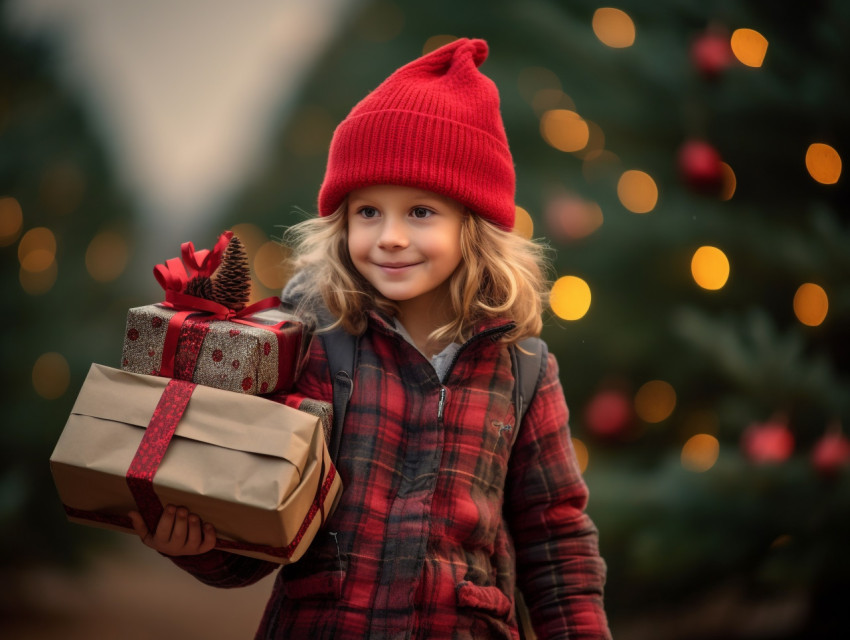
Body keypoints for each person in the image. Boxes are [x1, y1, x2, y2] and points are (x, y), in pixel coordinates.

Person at [129, 37, 611, 639]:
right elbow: (256, 521)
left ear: (474, 224)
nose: (388, 236)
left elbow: (555, 534)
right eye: (368, 212)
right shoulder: (312, 344)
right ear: (342, 222)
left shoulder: (525, 371)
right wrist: (196, 543)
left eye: (420, 212)